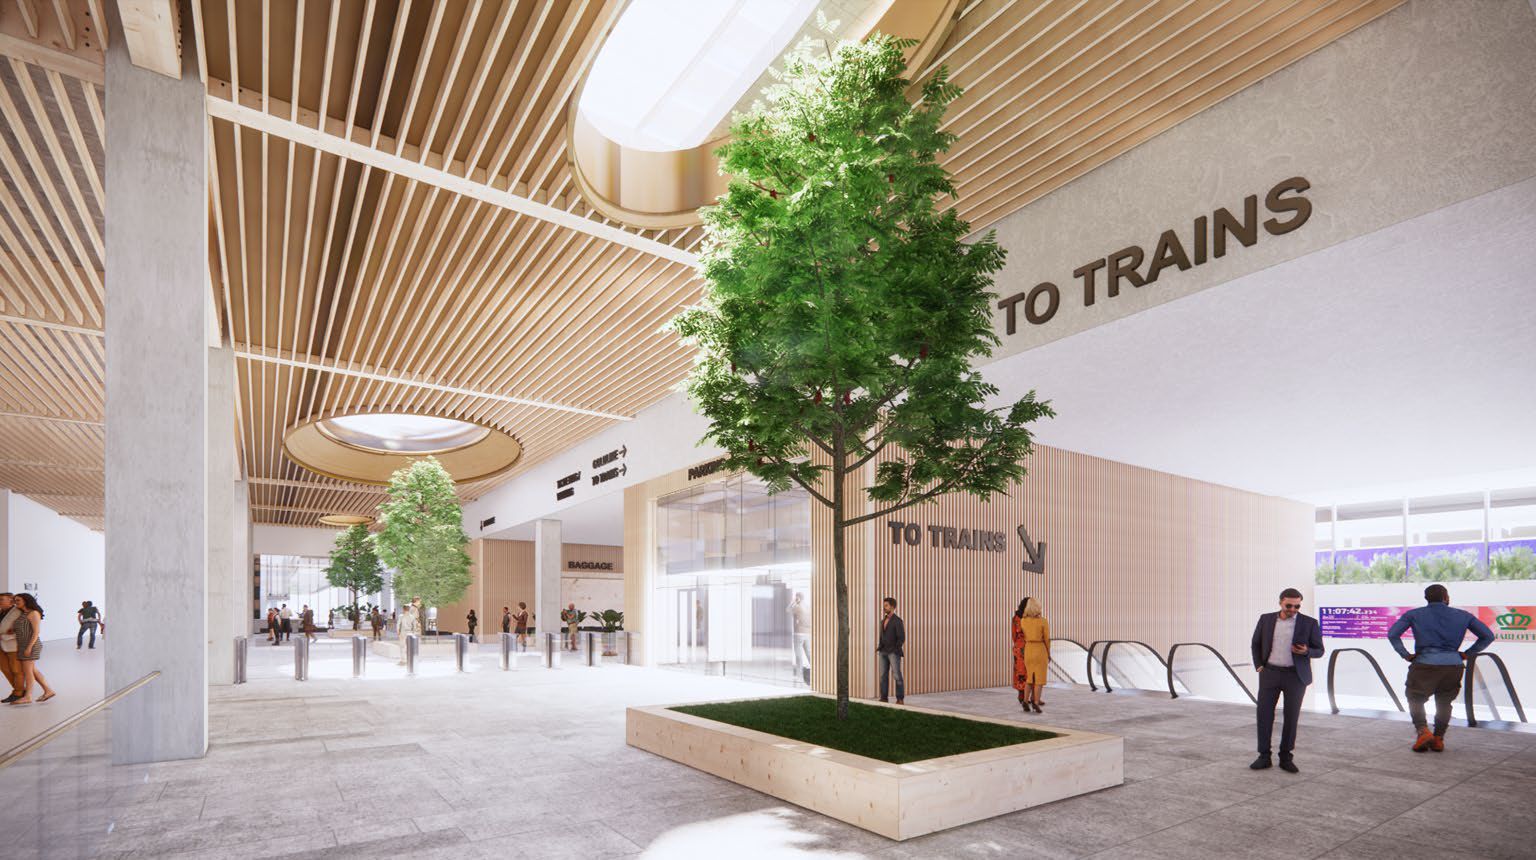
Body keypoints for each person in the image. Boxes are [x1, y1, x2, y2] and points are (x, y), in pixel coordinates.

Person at [1387, 583, 1496, 752]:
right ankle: (1438, 738)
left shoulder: (1414, 614)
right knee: (1444, 702)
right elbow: (1488, 636)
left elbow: (1393, 634)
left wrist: (1405, 654)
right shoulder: (1463, 615)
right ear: (1446, 597)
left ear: (1426, 598)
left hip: (1424, 664)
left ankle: (1423, 731)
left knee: (1415, 698)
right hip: (1453, 665)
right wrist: (1467, 653)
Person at [1250, 587, 1324, 773]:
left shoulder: (1309, 623)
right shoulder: (1266, 619)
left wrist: (1306, 651)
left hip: (1295, 676)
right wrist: (1259, 666)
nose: (1293, 609)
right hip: (1270, 673)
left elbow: (1319, 650)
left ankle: (1286, 757)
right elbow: (1256, 643)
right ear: (1280, 602)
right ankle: (1264, 756)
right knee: (1264, 715)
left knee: (1291, 717)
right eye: (1289, 605)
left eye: (1297, 606)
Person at [10, 593, 55, 704]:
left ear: (26, 601)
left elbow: (36, 632)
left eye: (18, 600)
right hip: (22, 645)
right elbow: (23, 628)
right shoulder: (23, 614)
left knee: (28, 672)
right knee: (33, 671)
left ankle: (28, 696)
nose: (16, 602)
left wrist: (29, 647)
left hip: (31, 645)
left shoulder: (34, 613)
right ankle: (48, 691)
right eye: (15, 600)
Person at [1013, 597, 1050, 713]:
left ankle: (1025, 701)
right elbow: (1047, 639)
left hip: (1028, 649)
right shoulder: (1043, 621)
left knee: (1029, 677)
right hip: (1039, 649)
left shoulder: (1023, 621)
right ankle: (1036, 702)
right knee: (1039, 678)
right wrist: (1048, 653)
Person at [876, 597, 905, 705]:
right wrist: (879, 647)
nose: (884, 607)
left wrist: (895, 649)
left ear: (892, 606)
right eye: (884, 605)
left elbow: (901, 638)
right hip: (883, 652)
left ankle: (900, 699)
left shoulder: (897, 621)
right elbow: (881, 636)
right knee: (883, 676)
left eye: (886, 605)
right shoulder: (882, 621)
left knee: (897, 675)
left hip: (893, 652)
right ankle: (884, 698)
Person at [0, 593, 23, 703]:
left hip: (12, 645)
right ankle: (20, 690)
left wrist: (4, 636)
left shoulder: (18, 612)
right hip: (1, 646)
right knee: (5, 669)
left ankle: (18, 692)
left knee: (16, 670)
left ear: (11, 600)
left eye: (1, 599)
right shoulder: (1, 612)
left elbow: (21, 631)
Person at [788, 592, 811, 685]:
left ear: (798, 597)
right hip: (808, 633)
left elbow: (788, 610)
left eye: (796, 597)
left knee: (799, 656)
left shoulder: (797, 607)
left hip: (799, 634)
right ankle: (817, 671)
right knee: (809, 653)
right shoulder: (808, 607)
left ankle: (799, 675)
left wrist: (792, 602)